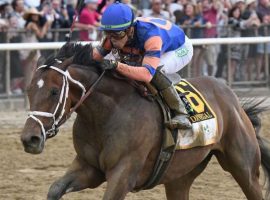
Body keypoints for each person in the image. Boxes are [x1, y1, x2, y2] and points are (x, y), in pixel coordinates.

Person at [92, 2, 193, 129]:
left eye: (117, 34)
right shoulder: (114, 35)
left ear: (130, 29)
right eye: (108, 33)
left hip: (179, 47)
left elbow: (146, 74)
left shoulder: (152, 36)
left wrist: (116, 65)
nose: (113, 40)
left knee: (156, 70)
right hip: (151, 42)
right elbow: (94, 57)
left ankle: (181, 112)